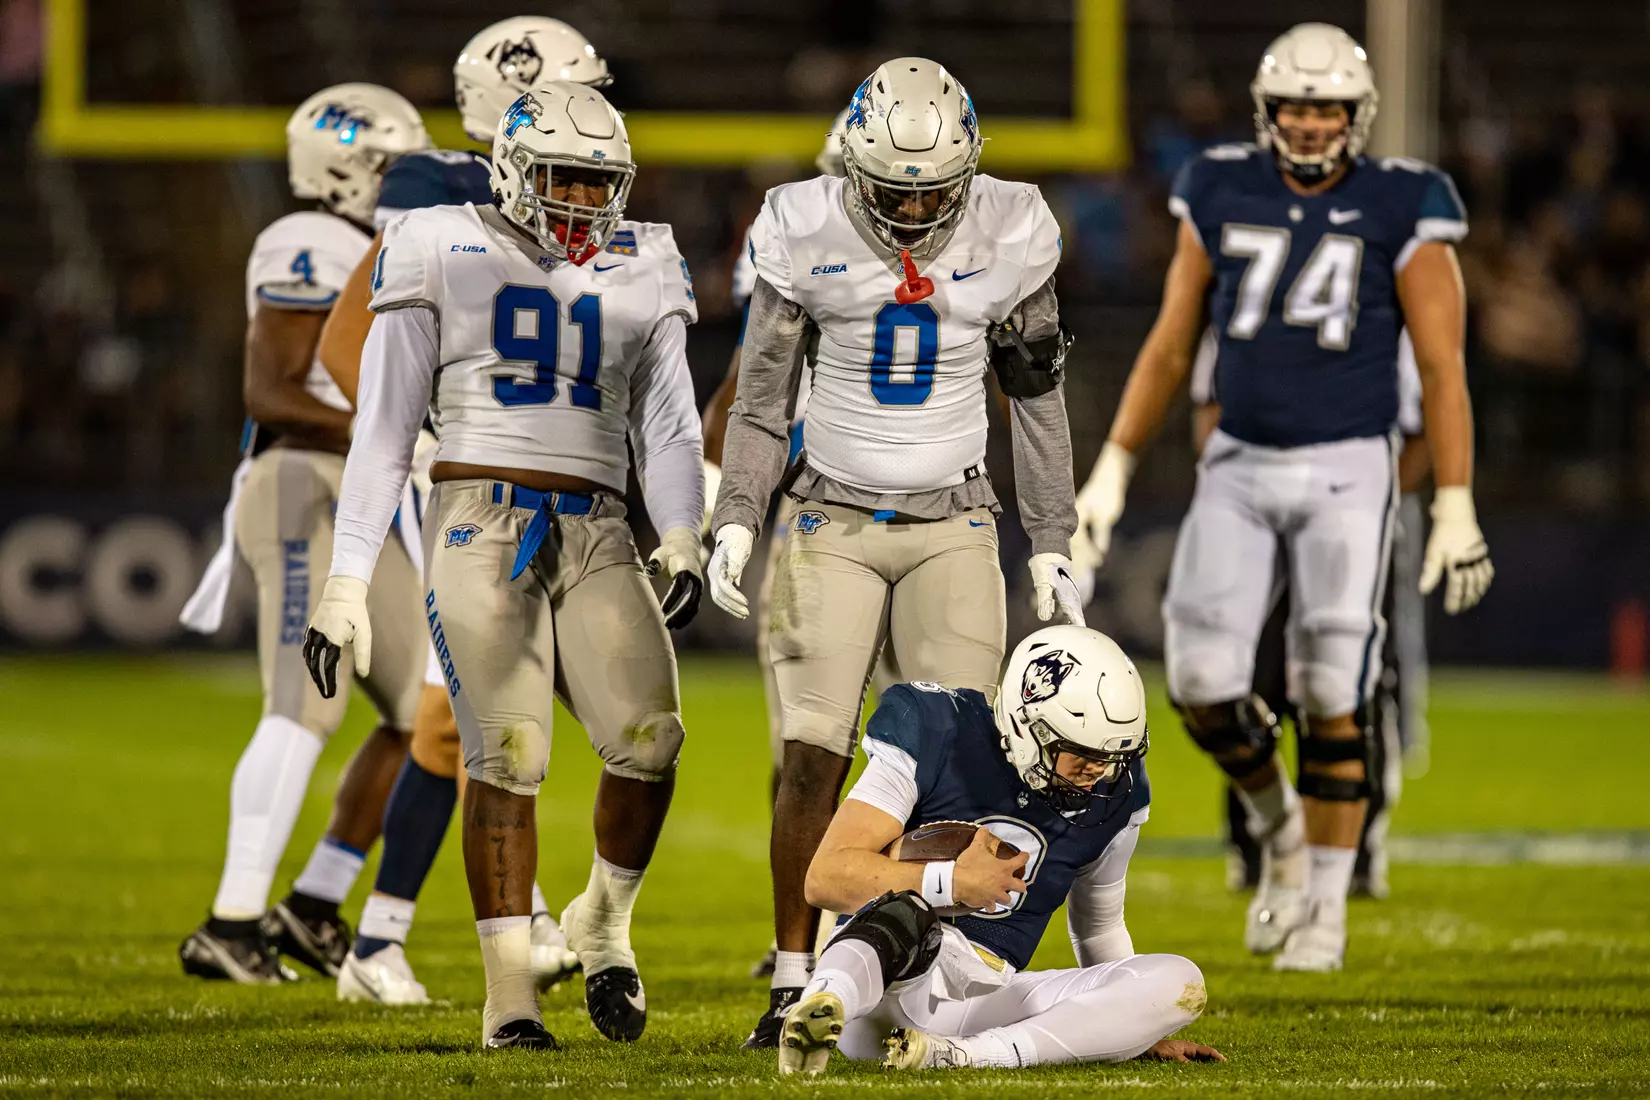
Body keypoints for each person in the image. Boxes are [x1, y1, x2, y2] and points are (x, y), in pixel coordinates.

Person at [1074, 23, 1494, 972]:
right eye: (1298, 106)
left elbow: (1442, 362)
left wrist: (1458, 499)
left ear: (1358, 115)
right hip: (1239, 459)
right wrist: (1114, 464)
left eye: (1329, 108)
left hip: (1352, 463)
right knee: (1198, 683)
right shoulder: (1220, 184)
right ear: (1269, 112)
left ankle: (1327, 914)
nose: (1311, 124)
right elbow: (1174, 340)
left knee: (1330, 688)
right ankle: (1279, 829)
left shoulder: (1404, 199)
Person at [301, 79, 704, 1049]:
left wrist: (683, 530)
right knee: (508, 753)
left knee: (652, 741)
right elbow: (386, 431)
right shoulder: (439, 238)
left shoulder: (645, 255)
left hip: (601, 520)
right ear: (517, 171)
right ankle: (509, 1001)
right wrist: (348, 580)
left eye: (597, 180)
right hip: (478, 514)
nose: (579, 199)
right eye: (562, 177)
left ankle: (602, 918)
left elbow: (668, 420)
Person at [705, 57, 1086, 1045]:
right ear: (852, 167)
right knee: (811, 754)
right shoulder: (802, 224)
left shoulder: (1013, 226)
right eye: (892, 189)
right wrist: (739, 514)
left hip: (955, 521)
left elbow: (1037, 406)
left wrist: (1051, 537)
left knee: (955, 765)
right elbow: (760, 401)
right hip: (829, 519)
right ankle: (794, 978)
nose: (914, 208)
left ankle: (917, 987)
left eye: (932, 188)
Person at [310, 14, 608, 1009]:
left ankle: (420, 930)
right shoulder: (440, 192)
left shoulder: (584, 193)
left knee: (488, 710)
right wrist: (426, 435)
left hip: (544, 484)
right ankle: (404, 935)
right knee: (460, 715)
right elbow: (351, 344)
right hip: (457, 485)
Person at [177, 84, 431, 985]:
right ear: (347, 167)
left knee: (424, 717)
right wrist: (398, 435)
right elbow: (274, 391)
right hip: (301, 481)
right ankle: (229, 921)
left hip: (358, 489)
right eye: (390, 167)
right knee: (304, 703)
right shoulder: (308, 242)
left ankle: (314, 903)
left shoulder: (377, 246)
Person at [777, 626, 1223, 1074]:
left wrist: (1135, 1026)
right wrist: (949, 882)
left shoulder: (1116, 793)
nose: (1099, 771)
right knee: (905, 911)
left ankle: (967, 1056)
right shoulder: (938, 728)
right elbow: (825, 877)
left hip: (989, 996)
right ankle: (823, 1003)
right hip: (885, 988)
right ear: (1027, 727)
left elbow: (1099, 930)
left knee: (1178, 980)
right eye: (1080, 754)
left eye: (1111, 757)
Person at [1198, 334, 1432, 898]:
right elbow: (1208, 412)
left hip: (1350, 537)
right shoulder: (1239, 299)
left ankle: (1353, 856)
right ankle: (1256, 846)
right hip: (1263, 532)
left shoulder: (1380, 314)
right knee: (1249, 686)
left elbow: (1421, 434)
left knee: (1351, 689)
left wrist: (1357, 506)